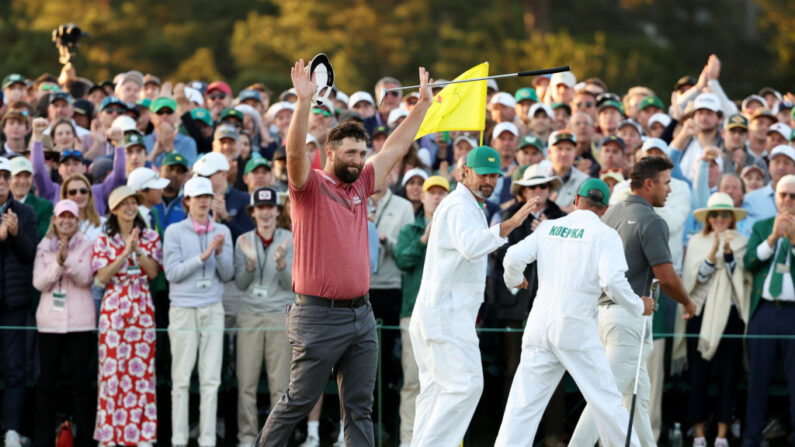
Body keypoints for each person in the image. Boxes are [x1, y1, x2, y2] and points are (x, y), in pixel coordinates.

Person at [255, 60, 433, 447]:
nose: (357, 159)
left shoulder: (362, 184)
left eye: (361, 152)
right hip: (317, 315)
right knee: (298, 401)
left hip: (361, 314)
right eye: (350, 152)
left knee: (359, 407)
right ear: (330, 152)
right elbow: (293, 154)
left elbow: (397, 147)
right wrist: (304, 102)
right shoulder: (309, 186)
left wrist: (421, 106)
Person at [496, 179, 655, 447]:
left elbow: (512, 257)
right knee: (607, 402)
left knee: (521, 407)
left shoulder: (548, 227)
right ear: (604, 208)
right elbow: (614, 283)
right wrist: (640, 306)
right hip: (577, 325)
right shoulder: (605, 235)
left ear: (576, 201)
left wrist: (514, 280)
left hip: (539, 323)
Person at [408, 145, 537, 446]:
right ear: (465, 172)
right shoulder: (458, 206)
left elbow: (470, 254)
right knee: (466, 386)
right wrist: (510, 224)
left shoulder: (468, 205)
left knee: (437, 392)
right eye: (483, 174)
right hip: (446, 318)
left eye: (495, 175)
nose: (490, 181)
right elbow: (470, 245)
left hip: (443, 316)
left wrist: (511, 275)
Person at [571, 156, 697, 447]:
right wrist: (688, 303)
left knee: (638, 398)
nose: (670, 190)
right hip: (628, 320)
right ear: (649, 184)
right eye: (666, 183)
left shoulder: (610, 213)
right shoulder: (653, 221)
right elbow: (666, 277)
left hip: (603, 316)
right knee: (606, 398)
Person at [671, 193, 751, 447]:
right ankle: (698, 435)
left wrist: (727, 254)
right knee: (699, 375)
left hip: (730, 316)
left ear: (731, 217)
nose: (719, 219)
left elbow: (741, 281)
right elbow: (695, 279)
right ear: (707, 217)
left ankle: (721, 436)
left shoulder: (742, 242)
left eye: (724, 214)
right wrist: (712, 252)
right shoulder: (696, 241)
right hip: (700, 313)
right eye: (715, 214)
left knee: (729, 375)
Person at [163, 176, 234, 447]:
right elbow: (172, 273)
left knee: (211, 379)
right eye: (198, 197)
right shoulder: (174, 232)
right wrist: (202, 257)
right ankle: (179, 440)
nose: (204, 201)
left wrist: (216, 255)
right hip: (183, 309)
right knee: (180, 379)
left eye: (207, 197)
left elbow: (228, 274)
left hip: (212, 307)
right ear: (187, 202)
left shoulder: (222, 232)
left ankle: (207, 441)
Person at [92, 186, 161, 446]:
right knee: (112, 372)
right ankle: (110, 436)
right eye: (125, 203)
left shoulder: (151, 236)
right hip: (114, 308)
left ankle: (141, 434)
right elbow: (102, 276)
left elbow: (153, 272)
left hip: (141, 306)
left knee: (142, 372)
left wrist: (138, 250)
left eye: (133, 202)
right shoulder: (103, 240)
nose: (130, 207)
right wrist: (125, 252)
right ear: (114, 209)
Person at [32, 199, 96, 447]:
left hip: (79, 322)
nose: (66, 221)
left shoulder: (87, 245)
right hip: (49, 322)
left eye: (71, 217)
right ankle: (43, 439)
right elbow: (39, 283)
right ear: (55, 220)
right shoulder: (43, 247)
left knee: (81, 384)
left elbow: (86, 278)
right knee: (46, 383)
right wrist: (58, 263)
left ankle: (86, 440)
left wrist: (66, 260)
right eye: (62, 217)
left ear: (77, 221)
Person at [234, 187, 293, 447]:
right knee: (246, 382)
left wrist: (281, 264)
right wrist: (248, 264)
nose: (266, 213)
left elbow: (292, 283)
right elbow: (241, 283)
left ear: (277, 211)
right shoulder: (243, 240)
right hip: (249, 316)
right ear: (253, 212)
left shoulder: (290, 239)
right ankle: (247, 437)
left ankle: (275, 440)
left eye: (270, 208)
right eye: (261, 208)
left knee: (279, 386)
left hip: (280, 316)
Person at [394, 175, 450, 447]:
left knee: (446, 384)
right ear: (423, 197)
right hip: (413, 314)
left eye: (442, 193)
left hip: (447, 316)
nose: (437, 197)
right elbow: (402, 260)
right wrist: (424, 239)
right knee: (413, 383)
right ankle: (409, 440)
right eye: (432, 193)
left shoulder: (455, 229)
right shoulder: (410, 230)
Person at [742, 174, 795, 447]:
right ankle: (752, 436)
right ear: (775, 197)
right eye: (782, 195)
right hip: (764, 311)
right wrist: (774, 237)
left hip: (792, 314)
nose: (787, 200)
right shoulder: (762, 226)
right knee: (758, 379)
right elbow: (748, 262)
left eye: (792, 196)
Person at [0, 157, 37, 447]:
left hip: (14, 302)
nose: (1, 182)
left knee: (14, 367)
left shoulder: (24, 212)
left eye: (4, 177)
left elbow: (30, 255)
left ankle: (12, 428)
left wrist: (16, 234)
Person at [31, 117, 126, 216]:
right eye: (66, 164)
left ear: (84, 168)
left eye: (76, 164)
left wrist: (119, 145)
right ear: (59, 170)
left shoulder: (98, 192)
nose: (71, 168)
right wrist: (37, 138)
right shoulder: (52, 191)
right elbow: (38, 171)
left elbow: (119, 176)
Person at [8, 156, 53, 241]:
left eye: (27, 176)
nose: (22, 181)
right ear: (9, 178)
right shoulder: (2, 205)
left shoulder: (44, 206)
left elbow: (40, 237)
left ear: (32, 178)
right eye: (17, 175)